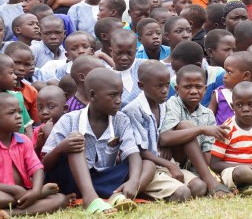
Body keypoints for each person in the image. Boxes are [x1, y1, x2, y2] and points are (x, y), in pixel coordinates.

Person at [42, 68, 142, 214]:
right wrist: (61, 148)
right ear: (92, 95)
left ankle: (118, 195)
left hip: (103, 179)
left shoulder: (121, 120)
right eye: (113, 95)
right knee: (75, 141)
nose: (119, 100)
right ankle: (90, 199)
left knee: (146, 164)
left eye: (120, 95)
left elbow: (132, 153)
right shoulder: (69, 120)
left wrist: (134, 181)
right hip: (72, 181)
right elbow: (45, 164)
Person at [0, 93, 71, 216]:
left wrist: (36, 191)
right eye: (12, 113)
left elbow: (37, 169)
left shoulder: (24, 140)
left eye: (19, 112)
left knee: (59, 198)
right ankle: (30, 197)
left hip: (24, 191)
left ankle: (8, 212)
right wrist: (15, 190)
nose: (19, 117)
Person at [122, 61, 202, 202]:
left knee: (199, 187)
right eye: (159, 86)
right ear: (141, 86)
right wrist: (170, 165)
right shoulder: (133, 110)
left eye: (167, 85)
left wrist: (167, 146)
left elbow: (166, 134)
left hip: (165, 163)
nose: (165, 90)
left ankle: (164, 187)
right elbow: (139, 151)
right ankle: (142, 192)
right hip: (146, 168)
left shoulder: (164, 106)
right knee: (182, 193)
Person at [158, 65, 233, 198]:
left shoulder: (208, 114)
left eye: (198, 87)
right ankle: (211, 182)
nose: (193, 91)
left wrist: (220, 169)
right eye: (187, 87)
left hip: (192, 166)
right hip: (172, 160)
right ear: (177, 89)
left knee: (199, 188)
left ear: (205, 89)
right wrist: (201, 129)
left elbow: (207, 151)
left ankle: (205, 181)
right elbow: (164, 138)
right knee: (186, 125)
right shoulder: (173, 103)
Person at [208, 52, 252, 125]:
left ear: (245, 75)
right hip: (222, 132)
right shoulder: (219, 93)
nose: (224, 76)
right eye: (225, 71)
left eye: (229, 72)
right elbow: (208, 117)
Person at [33, 86, 68, 158]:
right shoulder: (38, 131)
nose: (44, 112)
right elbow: (32, 158)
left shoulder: (68, 128)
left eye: (51, 106)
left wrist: (49, 135)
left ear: (65, 108)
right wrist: (38, 146)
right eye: (40, 108)